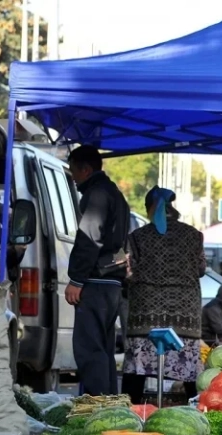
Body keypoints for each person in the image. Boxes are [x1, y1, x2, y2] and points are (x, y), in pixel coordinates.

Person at [120, 187, 206, 404]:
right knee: (189, 369)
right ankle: (195, 408)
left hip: (146, 313)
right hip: (185, 313)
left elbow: (127, 271)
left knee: (137, 368)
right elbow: (201, 269)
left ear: (151, 208)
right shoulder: (194, 235)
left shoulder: (137, 237)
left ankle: (131, 411)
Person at [65, 145, 130, 395]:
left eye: (73, 170)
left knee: (90, 349)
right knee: (102, 350)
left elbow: (89, 238)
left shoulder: (98, 195)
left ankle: (97, 407)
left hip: (96, 281)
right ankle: (109, 405)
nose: (72, 176)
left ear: (86, 169)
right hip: (111, 283)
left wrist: (77, 280)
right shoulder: (115, 194)